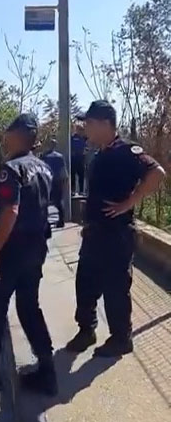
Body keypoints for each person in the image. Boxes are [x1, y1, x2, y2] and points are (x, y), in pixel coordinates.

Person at [0, 114, 57, 396]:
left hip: (13, 250)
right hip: (37, 249)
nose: (5, 137)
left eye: (8, 132)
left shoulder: (11, 169)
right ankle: (48, 371)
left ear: (18, 135)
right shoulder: (44, 168)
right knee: (29, 309)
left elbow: (11, 211)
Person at [65, 100, 166, 357]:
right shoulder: (100, 154)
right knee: (85, 284)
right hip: (94, 234)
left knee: (115, 289)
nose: (84, 127)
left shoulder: (127, 150)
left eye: (88, 123)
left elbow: (157, 173)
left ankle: (121, 338)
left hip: (117, 235)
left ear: (102, 123)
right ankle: (86, 330)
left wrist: (129, 202)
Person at [40, 138, 68, 228]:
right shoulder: (59, 156)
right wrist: (65, 181)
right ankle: (61, 221)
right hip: (57, 180)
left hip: (47, 180)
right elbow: (63, 171)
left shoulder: (44, 156)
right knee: (59, 201)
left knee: (45, 202)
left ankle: (45, 222)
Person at [71, 125, 87, 194]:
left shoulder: (83, 138)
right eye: (79, 129)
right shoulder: (72, 138)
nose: (80, 131)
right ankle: (73, 191)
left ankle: (81, 191)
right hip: (74, 159)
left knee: (81, 175)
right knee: (73, 175)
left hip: (81, 159)